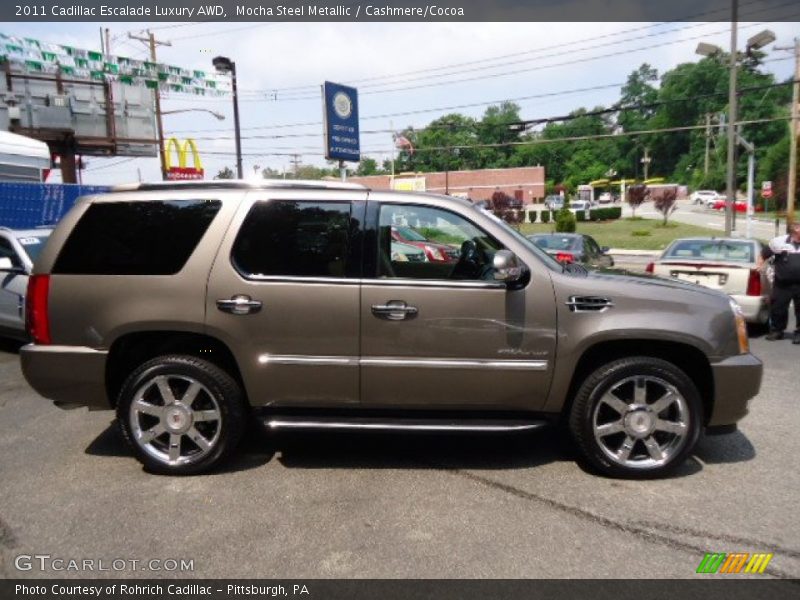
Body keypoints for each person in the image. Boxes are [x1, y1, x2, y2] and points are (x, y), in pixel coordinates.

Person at [762, 221, 800, 343]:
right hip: (782, 284)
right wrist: (759, 266)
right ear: (795, 229)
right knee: (778, 308)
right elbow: (764, 254)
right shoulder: (779, 242)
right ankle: (777, 331)